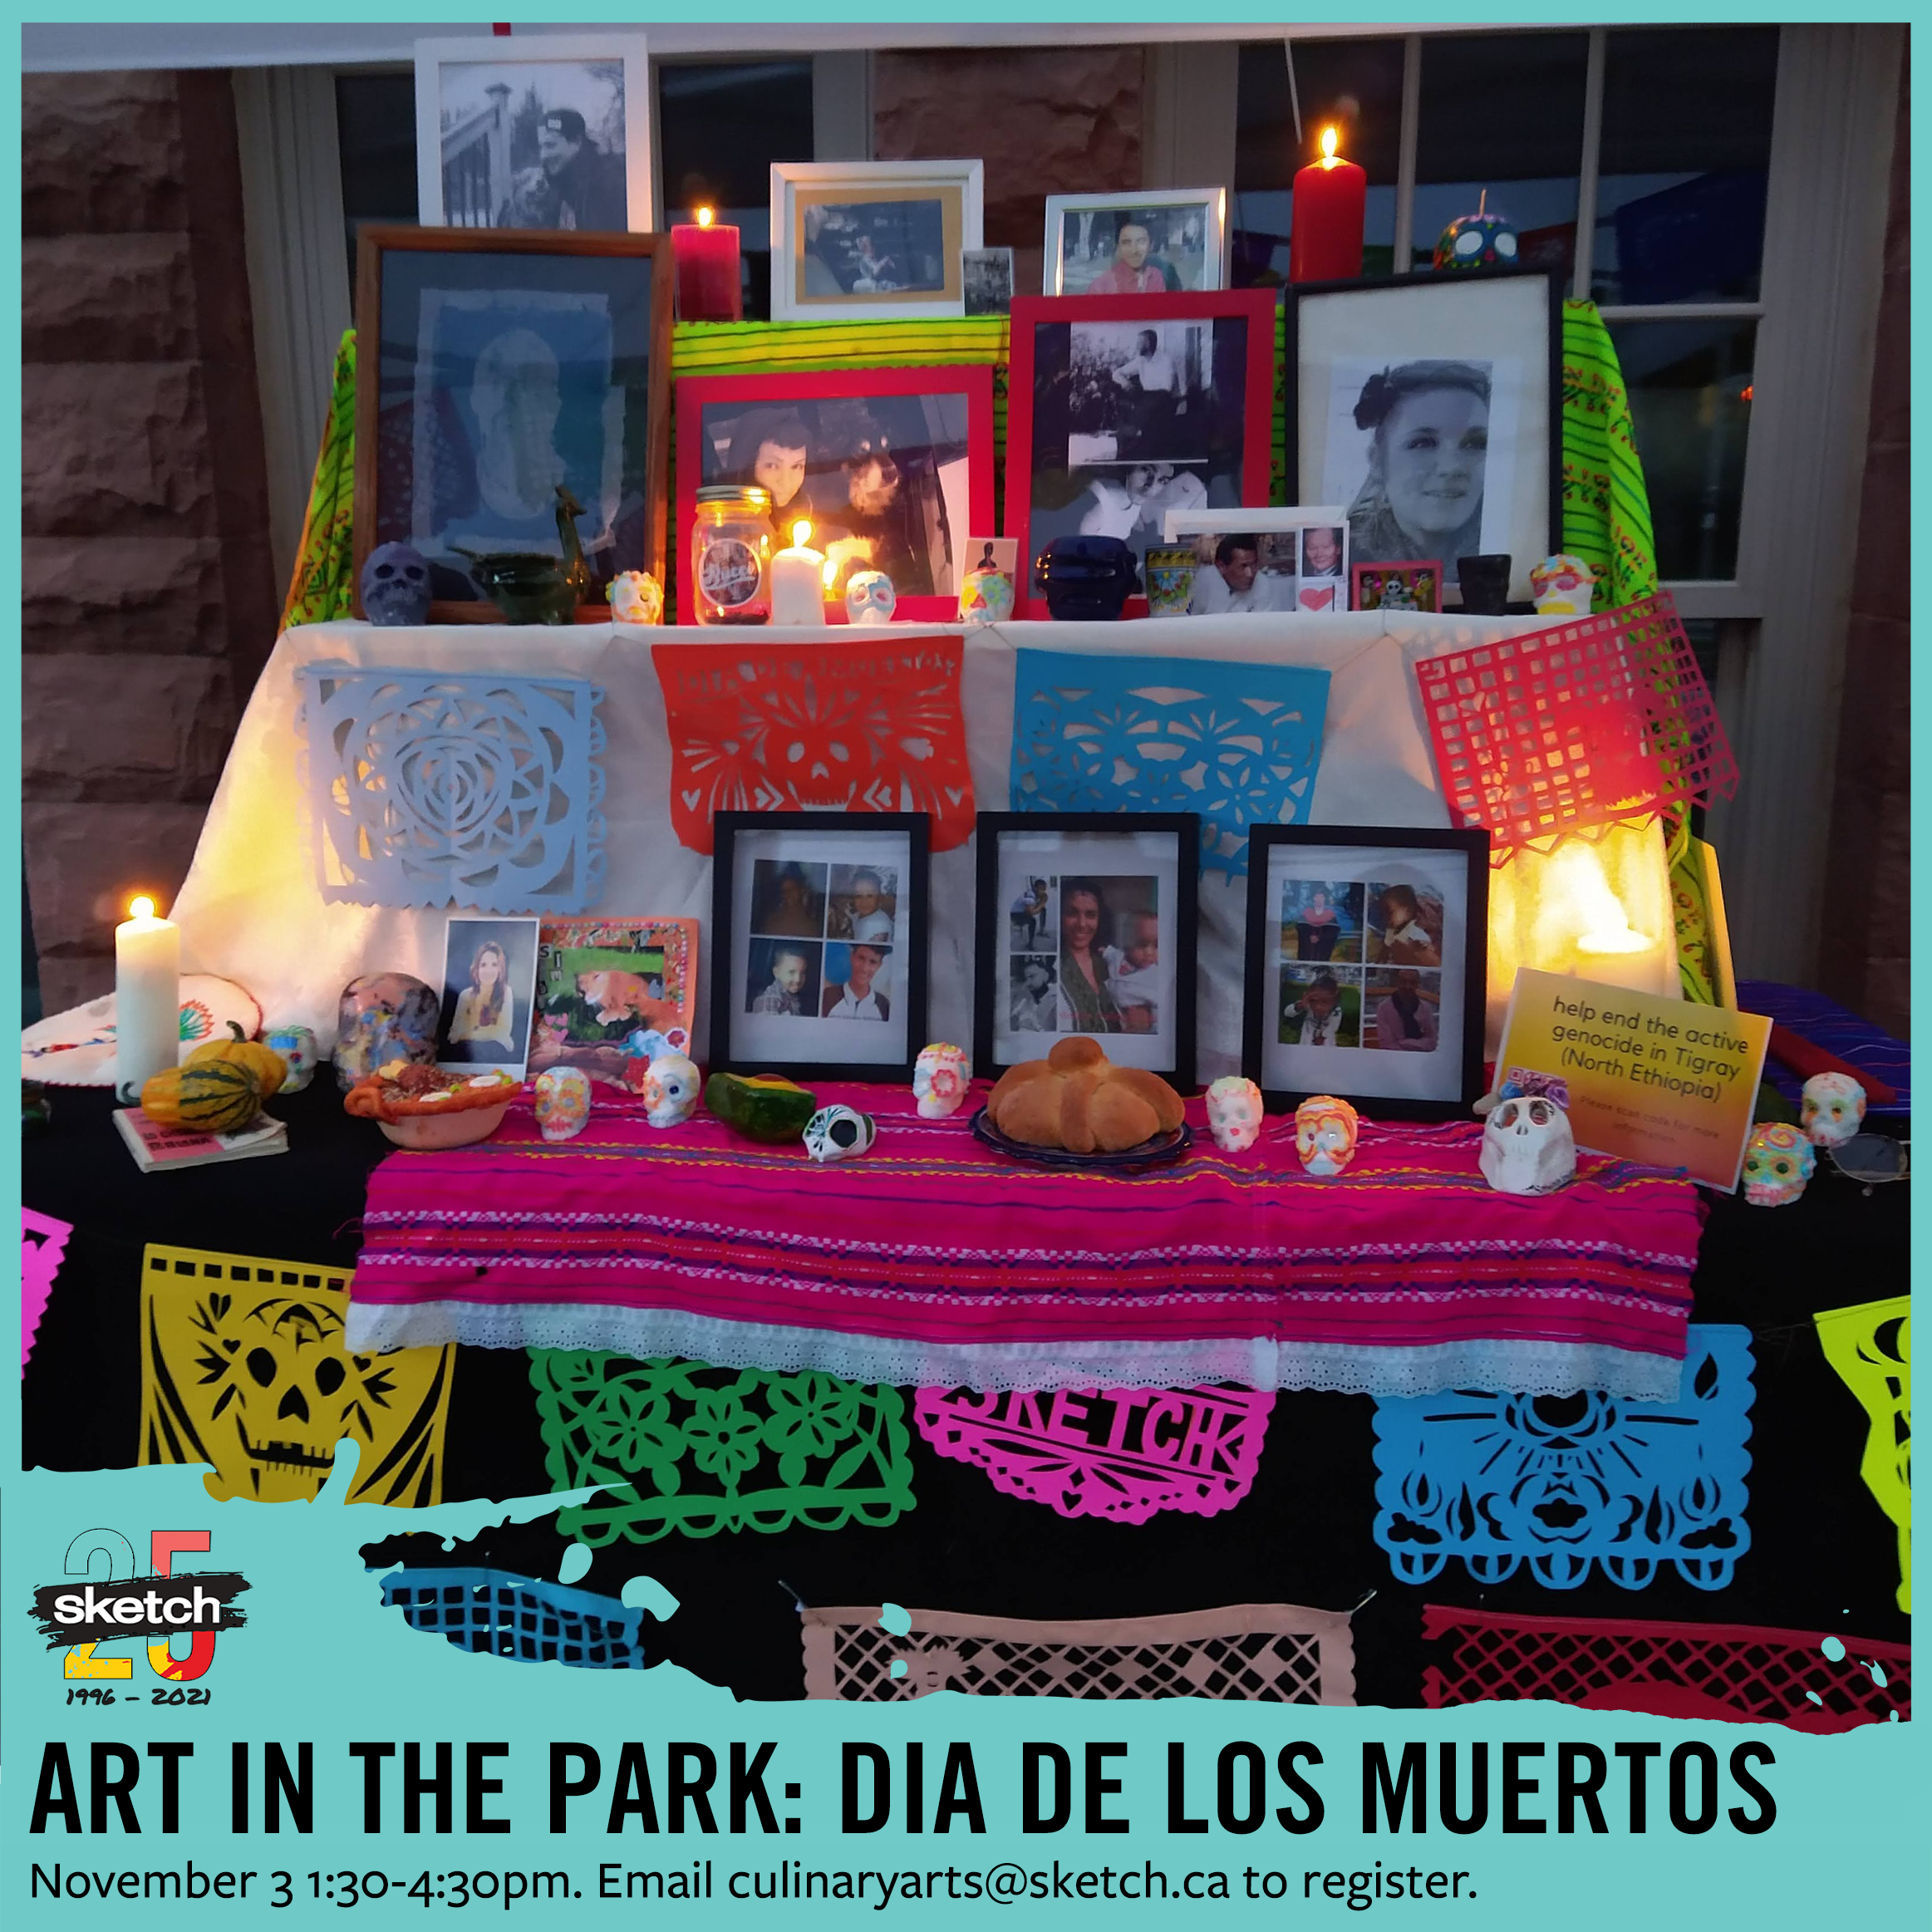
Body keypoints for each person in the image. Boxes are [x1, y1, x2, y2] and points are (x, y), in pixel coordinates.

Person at [1344, 361, 1490, 584]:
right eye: (1423, 443)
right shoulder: (1339, 554)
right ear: (1377, 461)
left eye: (1475, 444)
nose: (1451, 467)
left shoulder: (1513, 547)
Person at [500, 108, 626, 232]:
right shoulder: (552, 183)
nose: (543, 155)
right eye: (541, 147)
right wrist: (525, 210)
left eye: (550, 145)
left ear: (577, 142)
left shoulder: (610, 183)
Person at [724, 408, 812, 550]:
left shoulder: (806, 516)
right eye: (772, 466)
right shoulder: (722, 528)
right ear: (748, 467)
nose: (786, 481)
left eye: (797, 466)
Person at [1054, 879, 1124, 1033]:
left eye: (1091, 915)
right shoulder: (1052, 968)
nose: (1082, 924)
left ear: (1100, 920)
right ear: (1059, 917)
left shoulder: (1110, 964)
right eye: (1072, 913)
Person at [1109, 328, 1178, 456]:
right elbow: (1116, 373)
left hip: (1164, 399)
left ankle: (1134, 433)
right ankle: (1127, 439)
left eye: (1139, 343)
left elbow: (1167, 387)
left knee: (1148, 406)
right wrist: (1125, 382)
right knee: (1131, 406)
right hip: (1147, 398)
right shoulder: (1140, 360)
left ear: (1148, 344)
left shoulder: (1166, 359)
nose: (1137, 346)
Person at [1187, 535, 1293, 615]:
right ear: (1221, 566)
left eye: (1253, 565)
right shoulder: (1203, 581)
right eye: (1243, 566)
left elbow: (1262, 629)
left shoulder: (1261, 582)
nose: (1250, 574)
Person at [448, 940, 516, 1050]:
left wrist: (469, 1032)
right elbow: (453, 1036)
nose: (488, 971)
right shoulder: (465, 996)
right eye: (483, 965)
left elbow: (504, 1034)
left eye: (494, 965)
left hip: (496, 1055)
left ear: (500, 970)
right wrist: (492, 1032)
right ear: (476, 969)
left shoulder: (506, 993)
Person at [1103, 910, 1162, 1034]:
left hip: (1134, 1024)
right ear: (1126, 944)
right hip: (1109, 1010)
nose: (1149, 952)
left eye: (1156, 946)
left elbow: (1159, 1006)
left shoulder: (1155, 977)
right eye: (1141, 944)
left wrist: (1153, 1027)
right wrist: (1102, 951)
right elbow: (1109, 953)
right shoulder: (1119, 956)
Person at [1084, 219, 1167, 295]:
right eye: (1126, 243)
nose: (1134, 250)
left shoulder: (1156, 276)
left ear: (1150, 246)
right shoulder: (1100, 287)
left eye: (1141, 242)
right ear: (1118, 247)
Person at [1374, 969, 1440, 1051]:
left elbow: (1432, 1042)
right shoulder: (1384, 1008)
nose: (1407, 986)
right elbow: (1387, 1045)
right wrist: (1420, 1044)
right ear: (1397, 982)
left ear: (1417, 985)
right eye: (1403, 982)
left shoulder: (1425, 1008)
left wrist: (1404, 1043)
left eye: (1412, 983)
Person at [1377, 883, 1442, 966]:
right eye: (1383, 913)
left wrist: (1431, 946)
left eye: (1390, 912)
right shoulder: (1392, 927)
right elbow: (1387, 945)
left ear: (1407, 911)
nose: (1386, 918)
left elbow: (1436, 938)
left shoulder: (1423, 921)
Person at [822, 943, 891, 1020]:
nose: (864, 969)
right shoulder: (827, 996)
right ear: (852, 957)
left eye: (873, 962)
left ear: (879, 965)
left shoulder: (884, 1006)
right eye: (861, 958)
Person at [1283, 971, 1346, 1047]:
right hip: (1305, 1043)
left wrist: (1322, 1037)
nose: (1318, 1006)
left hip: (1327, 1045)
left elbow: (1333, 1027)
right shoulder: (1307, 1005)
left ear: (1334, 1000)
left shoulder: (1336, 1010)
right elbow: (1288, 1013)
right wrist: (1302, 1004)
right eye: (1314, 1000)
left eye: (1325, 1001)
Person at [757, 865, 822, 938]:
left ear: (801, 889)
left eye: (792, 889)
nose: (787, 893)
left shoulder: (813, 922)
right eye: (784, 890)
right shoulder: (771, 919)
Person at [750, 945, 811, 1015]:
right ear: (776, 973)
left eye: (803, 973)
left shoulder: (793, 997)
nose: (798, 979)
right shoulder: (771, 999)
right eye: (791, 972)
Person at [1293, 886, 1342, 962]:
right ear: (1313, 898)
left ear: (1325, 899)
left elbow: (1333, 931)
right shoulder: (1306, 913)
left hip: (1322, 950)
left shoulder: (1330, 915)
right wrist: (1309, 936)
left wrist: (1320, 937)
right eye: (1317, 897)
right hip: (1307, 949)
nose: (1319, 899)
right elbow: (1301, 928)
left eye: (1322, 897)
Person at [844, 871, 894, 944]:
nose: (864, 901)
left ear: (879, 898)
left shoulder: (879, 925)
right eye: (858, 896)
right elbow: (854, 919)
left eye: (870, 896)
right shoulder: (859, 915)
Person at [1010, 956, 1057, 1032]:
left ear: (1045, 975)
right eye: (1026, 979)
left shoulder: (1057, 1001)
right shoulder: (1024, 1003)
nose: (1028, 983)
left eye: (1032, 976)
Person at [1010, 878, 1049, 951]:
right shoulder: (1031, 895)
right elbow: (1030, 912)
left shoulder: (1036, 894)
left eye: (1044, 889)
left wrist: (1041, 905)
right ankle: (1030, 944)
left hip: (1022, 912)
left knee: (1043, 909)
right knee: (1032, 921)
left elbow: (1033, 908)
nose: (1043, 892)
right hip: (1015, 915)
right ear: (1035, 888)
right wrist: (1042, 903)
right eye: (1041, 889)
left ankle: (1041, 931)